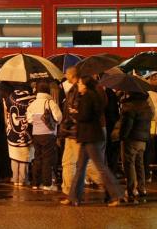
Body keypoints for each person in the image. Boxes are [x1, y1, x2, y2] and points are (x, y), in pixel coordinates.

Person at [62, 76, 125, 207]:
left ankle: (116, 194)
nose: (78, 85)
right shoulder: (93, 95)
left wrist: (75, 113)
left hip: (90, 136)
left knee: (100, 167)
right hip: (87, 136)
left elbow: (85, 116)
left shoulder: (87, 97)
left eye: (80, 83)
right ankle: (73, 197)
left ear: (85, 85)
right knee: (80, 167)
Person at [58, 66, 101, 195]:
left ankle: (107, 183)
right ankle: (68, 190)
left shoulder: (80, 90)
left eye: (66, 73)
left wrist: (72, 116)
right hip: (70, 132)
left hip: (76, 132)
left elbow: (77, 111)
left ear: (72, 75)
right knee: (68, 162)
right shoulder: (72, 90)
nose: (65, 76)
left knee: (86, 165)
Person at [25, 80, 62, 190]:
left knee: (37, 158)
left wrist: (37, 122)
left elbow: (29, 119)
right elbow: (58, 118)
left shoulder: (33, 103)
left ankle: (35, 183)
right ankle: (47, 184)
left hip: (36, 134)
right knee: (47, 159)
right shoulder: (50, 103)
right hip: (49, 134)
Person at [119, 91, 153, 201]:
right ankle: (142, 188)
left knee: (129, 164)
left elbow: (127, 125)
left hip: (132, 138)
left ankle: (131, 189)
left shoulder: (130, 106)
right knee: (140, 164)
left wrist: (122, 136)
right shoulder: (146, 105)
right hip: (143, 139)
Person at [3, 82, 34, 187]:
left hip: (11, 133)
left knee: (14, 157)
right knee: (25, 158)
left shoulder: (10, 97)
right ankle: (23, 179)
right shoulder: (32, 99)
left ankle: (15, 178)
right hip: (26, 134)